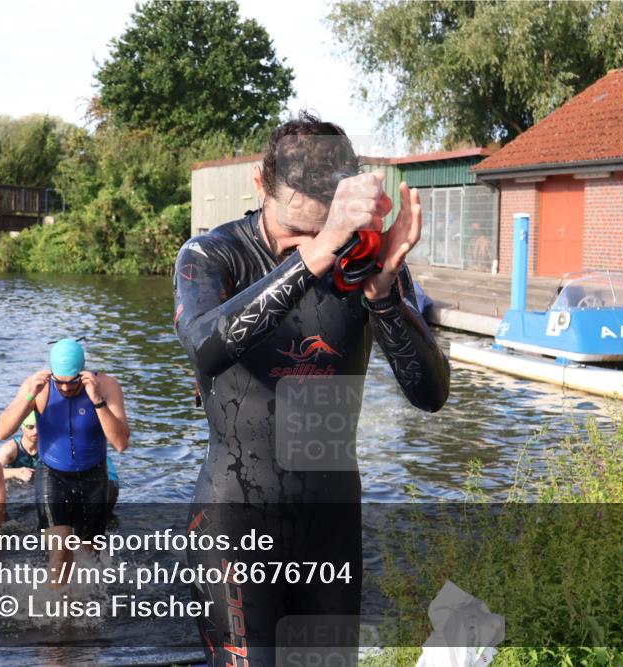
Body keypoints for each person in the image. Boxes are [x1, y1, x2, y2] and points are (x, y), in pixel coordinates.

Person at [173, 112, 450, 665]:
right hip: (235, 522)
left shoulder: (364, 260)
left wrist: (384, 296)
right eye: (296, 226)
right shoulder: (212, 255)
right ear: (260, 183)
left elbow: (430, 394)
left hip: (330, 527)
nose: (312, 240)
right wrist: (320, 250)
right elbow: (206, 347)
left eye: (324, 225)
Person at [0, 338, 130, 583]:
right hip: (52, 475)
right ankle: (55, 606)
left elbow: (121, 443)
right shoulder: (39, 386)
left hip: (93, 477)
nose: (66, 388)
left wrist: (97, 401)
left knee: (90, 556)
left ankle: (87, 600)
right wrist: (29, 397)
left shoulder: (106, 386)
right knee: (60, 554)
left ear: (83, 373)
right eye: (60, 382)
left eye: (73, 382)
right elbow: (2, 432)